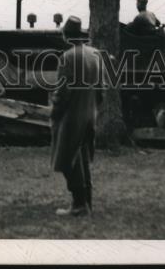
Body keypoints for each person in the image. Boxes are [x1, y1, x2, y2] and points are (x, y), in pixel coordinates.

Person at [50, 15, 102, 218]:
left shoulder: (68, 57)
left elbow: (63, 91)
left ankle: (79, 204)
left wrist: (55, 112)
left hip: (72, 115)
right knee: (81, 158)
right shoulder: (95, 54)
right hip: (90, 113)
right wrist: (94, 109)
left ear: (66, 35)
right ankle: (87, 201)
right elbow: (101, 89)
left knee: (66, 159)